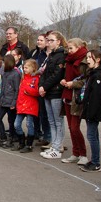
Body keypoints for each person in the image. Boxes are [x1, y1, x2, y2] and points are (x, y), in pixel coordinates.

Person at [60, 38, 89, 166]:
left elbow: (86, 80)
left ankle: (83, 154)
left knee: (75, 127)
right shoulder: (68, 60)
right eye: (68, 48)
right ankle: (75, 153)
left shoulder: (85, 60)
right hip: (68, 94)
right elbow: (67, 76)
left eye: (71, 48)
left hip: (78, 97)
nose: (69, 51)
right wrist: (64, 81)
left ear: (78, 47)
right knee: (71, 128)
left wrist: (73, 83)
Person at [79, 50, 101, 172]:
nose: (87, 60)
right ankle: (94, 160)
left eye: (89, 58)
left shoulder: (98, 76)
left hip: (93, 111)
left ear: (97, 59)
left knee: (91, 136)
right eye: (86, 58)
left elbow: (96, 97)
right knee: (93, 135)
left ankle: (96, 163)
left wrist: (91, 113)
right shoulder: (93, 74)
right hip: (89, 109)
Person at [39, 31, 67, 159]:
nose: (49, 43)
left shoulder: (61, 56)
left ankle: (57, 146)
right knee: (51, 120)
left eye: (51, 40)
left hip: (56, 92)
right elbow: (44, 73)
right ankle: (54, 145)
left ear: (58, 41)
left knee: (58, 120)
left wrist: (45, 86)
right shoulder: (50, 56)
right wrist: (41, 86)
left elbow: (57, 74)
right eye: (48, 40)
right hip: (48, 92)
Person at [0, 54, 21, 148]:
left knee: (11, 121)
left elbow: (17, 89)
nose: (2, 64)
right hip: (4, 101)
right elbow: (2, 87)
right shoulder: (5, 73)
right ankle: (3, 138)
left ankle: (11, 139)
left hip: (11, 102)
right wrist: (0, 99)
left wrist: (14, 102)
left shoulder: (16, 74)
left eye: (4, 62)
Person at [13, 59, 40, 152]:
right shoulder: (23, 78)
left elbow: (37, 92)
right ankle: (21, 142)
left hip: (30, 105)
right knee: (16, 124)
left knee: (29, 124)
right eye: (24, 67)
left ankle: (29, 145)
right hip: (21, 104)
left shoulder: (36, 79)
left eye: (27, 67)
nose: (24, 69)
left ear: (33, 68)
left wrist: (27, 90)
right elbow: (20, 93)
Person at [28, 33, 50, 146]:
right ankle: (43, 135)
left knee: (48, 115)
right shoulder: (38, 54)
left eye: (41, 40)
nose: (38, 42)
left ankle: (49, 138)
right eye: (38, 40)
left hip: (47, 86)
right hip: (38, 85)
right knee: (41, 113)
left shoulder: (50, 55)